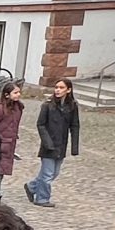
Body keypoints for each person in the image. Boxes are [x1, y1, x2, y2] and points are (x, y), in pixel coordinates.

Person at [26, 78, 82, 207]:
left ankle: (32, 186)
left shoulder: (72, 106)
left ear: (68, 90)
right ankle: (42, 199)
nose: (57, 90)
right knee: (47, 174)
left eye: (61, 88)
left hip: (61, 145)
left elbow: (75, 126)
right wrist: (47, 142)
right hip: (48, 145)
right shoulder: (48, 105)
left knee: (54, 173)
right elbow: (40, 124)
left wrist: (74, 147)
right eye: (56, 87)